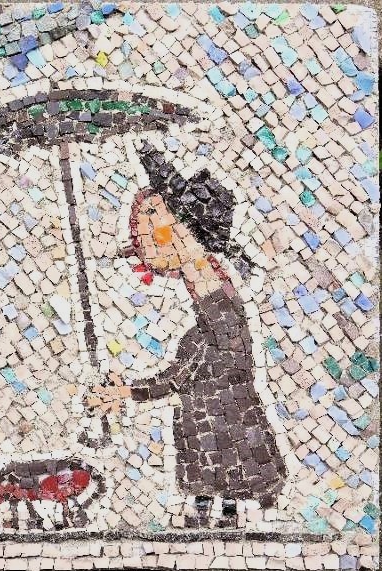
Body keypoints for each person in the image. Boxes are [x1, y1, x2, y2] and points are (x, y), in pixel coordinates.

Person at [126, 143, 287, 515]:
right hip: (211, 426)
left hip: (225, 427)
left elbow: (203, 368)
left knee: (221, 430)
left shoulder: (217, 311)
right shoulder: (213, 310)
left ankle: (225, 508)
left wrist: (130, 390)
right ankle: (216, 508)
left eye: (153, 219)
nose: (143, 238)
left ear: (184, 229)